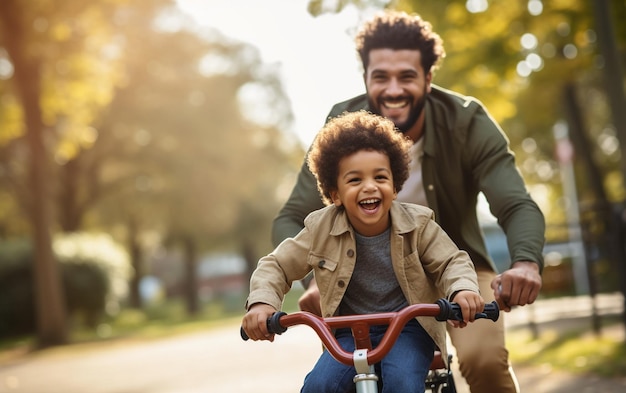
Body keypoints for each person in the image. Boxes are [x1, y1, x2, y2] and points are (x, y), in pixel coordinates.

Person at [271, 10, 545, 393]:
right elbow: (292, 217)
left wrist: (526, 263)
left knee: (484, 361)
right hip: (364, 277)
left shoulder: (466, 122)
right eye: (381, 76)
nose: (393, 89)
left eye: (407, 77)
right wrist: (311, 279)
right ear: (366, 77)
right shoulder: (343, 125)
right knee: (338, 378)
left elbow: (515, 204)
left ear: (428, 79)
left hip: (456, 267)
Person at [242, 111, 484, 393]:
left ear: (394, 186)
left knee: (402, 384)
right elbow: (277, 266)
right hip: (349, 332)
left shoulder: (419, 225)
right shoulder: (320, 228)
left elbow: (451, 262)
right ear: (335, 194)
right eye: (354, 180)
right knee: (319, 387)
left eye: (380, 177)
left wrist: (462, 290)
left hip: (408, 328)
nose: (369, 186)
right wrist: (262, 303)